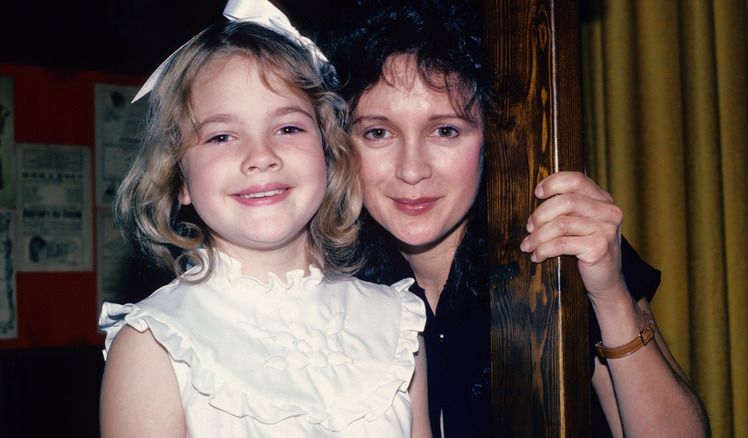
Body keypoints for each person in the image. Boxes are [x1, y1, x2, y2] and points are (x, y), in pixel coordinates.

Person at [315, 1, 710, 437]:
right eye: (378, 132)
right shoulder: (322, 276)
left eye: (445, 130)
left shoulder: (554, 238)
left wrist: (611, 292)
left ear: (491, 139)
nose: (412, 170)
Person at [98, 4, 431, 437]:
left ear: (329, 153)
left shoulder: (399, 326)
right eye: (221, 136)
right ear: (178, 178)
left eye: (288, 128)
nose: (260, 157)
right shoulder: (155, 345)